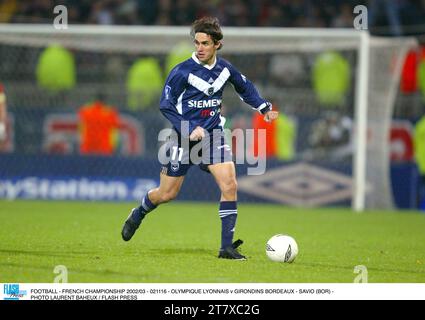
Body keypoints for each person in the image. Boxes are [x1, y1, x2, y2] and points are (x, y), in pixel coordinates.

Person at [121, 17, 279, 260]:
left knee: (230, 184)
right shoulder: (182, 71)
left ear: (217, 44)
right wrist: (188, 128)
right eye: (196, 43)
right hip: (183, 140)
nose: (200, 48)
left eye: (205, 43)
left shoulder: (225, 69)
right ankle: (139, 212)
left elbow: (244, 87)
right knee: (167, 194)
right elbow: (166, 105)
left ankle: (226, 248)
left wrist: (264, 108)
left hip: (213, 136)